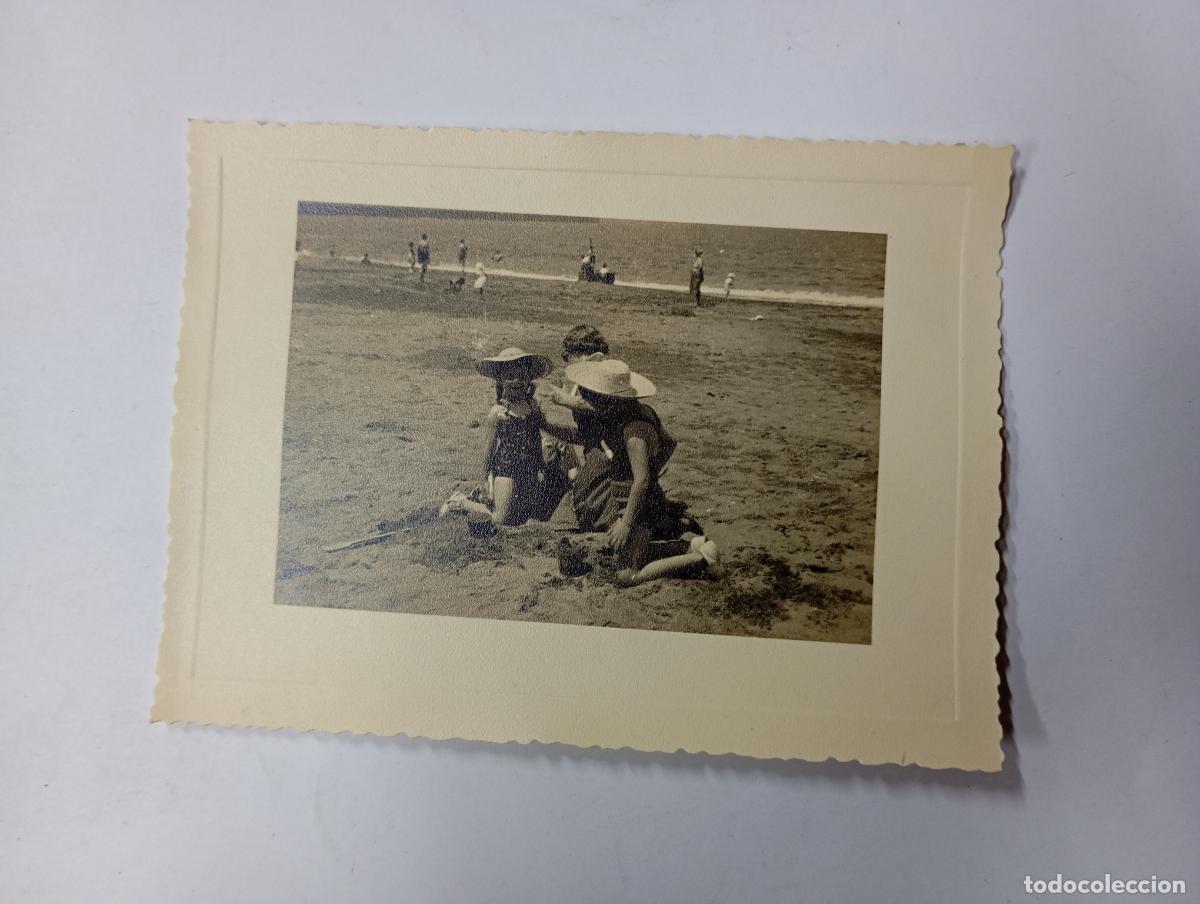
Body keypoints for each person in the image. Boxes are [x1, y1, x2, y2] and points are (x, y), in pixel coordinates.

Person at [545, 359, 721, 586]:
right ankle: (692, 546)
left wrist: (626, 523)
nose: (591, 404)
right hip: (633, 501)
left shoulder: (633, 431)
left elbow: (641, 481)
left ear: (611, 400)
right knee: (630, 553)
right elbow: (669, 443)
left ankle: (701, 560)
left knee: (627, 575)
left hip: (640, 507)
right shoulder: (635, 412)